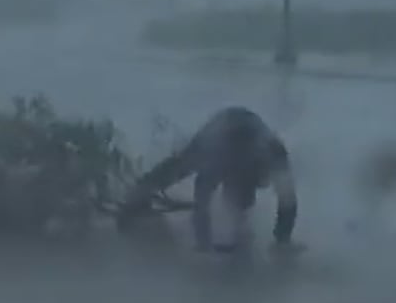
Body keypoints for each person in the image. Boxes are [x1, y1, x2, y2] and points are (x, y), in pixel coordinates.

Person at [117, 106, 299, 252]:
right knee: (180, 167)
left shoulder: (276, 154)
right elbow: (202, 196)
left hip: (243, 131)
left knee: (242, 206)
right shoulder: (218, 153)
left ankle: (240, 224)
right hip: (220, 131)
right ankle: (135, 196)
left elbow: (288, 200)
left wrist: (282, 240)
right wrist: (203, 243)